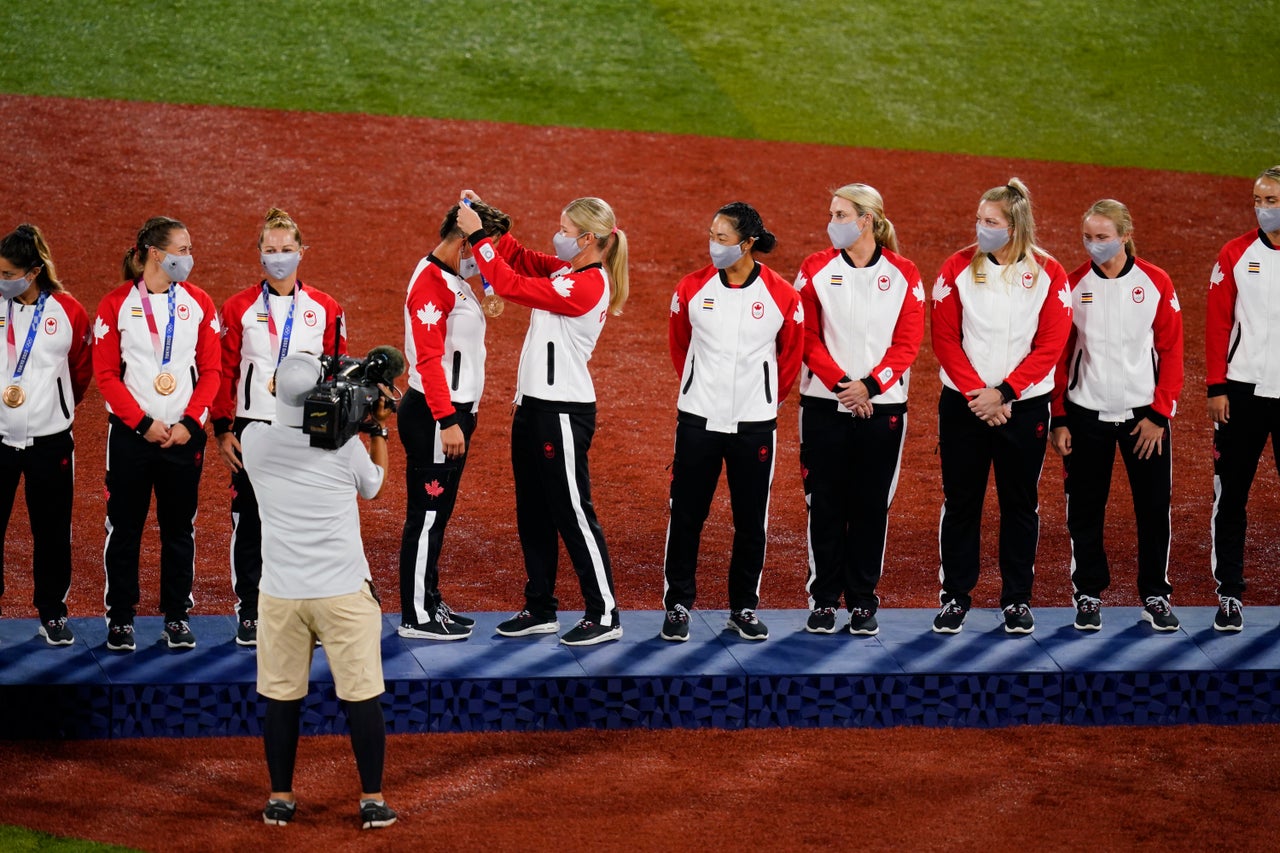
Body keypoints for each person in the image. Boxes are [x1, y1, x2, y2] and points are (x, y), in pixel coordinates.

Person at [455, 190, 629, 646]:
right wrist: (491, 224)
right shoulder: (568, 271)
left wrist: (478, 238)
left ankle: (605, 611)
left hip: (564, 413)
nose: (559, 238)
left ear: (589, 239)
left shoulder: (587, 284)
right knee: (532, 512)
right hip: (532, 408)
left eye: (567, 232)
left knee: (572, 511)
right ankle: (540, 607)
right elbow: (523, 259)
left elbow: (511, 285)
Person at [241, 353, 397, 830]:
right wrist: (377, 430)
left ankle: (280, 799)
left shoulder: (254, 444)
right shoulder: (345, 449)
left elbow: (273, 418)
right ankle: (372, 800)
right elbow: (374, 487)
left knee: (283, 700)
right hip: (343, 592)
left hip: (282, 595)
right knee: (362, 698)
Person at [929, 179, 1071, 635]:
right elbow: (945, 340)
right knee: (962, 502)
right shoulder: (956, 268)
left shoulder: (1050, 272)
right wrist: (980, 395)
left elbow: (1051, 345)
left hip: (1022, 408)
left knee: (1020, 505)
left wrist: (1004, 393)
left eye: (990, 222)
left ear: (1014, 226)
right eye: (979, 220)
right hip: (965, 406)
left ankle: (1016, 600)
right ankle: (955, 597)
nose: (980, 229)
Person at [660, 201, 803, 642]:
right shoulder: (691, 289)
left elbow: (791, 356)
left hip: (754, 424)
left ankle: (743, 607)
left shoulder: (782, 294)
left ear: (748, 243)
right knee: (686, 515)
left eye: (722, 238)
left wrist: (762, 399)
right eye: (712, 235)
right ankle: (678, 604)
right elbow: (679, 345)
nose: (713, 245)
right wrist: (698, 387)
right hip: (698, 419)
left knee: (750, 520)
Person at [794, 185, 924, 637]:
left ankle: (863, 602)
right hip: (824, 404)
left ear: (866, 219)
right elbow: (805, 335)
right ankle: (825, 600)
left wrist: (868, 386)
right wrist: (841, 386)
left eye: (840, 213)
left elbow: (907, 343)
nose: (832, 221)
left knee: (871, 508)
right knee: (825, 505)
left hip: (883, 406)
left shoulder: (905, 273)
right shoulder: (814, 268)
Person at [213, 208, 347, 647]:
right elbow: (224, 371)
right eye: (271, 250)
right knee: (251, 520)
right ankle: (250, 612)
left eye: (287, 249)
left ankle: (311, 610)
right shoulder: (238, 308)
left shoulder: (326, 308)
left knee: (308, 522)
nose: (279, 257)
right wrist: (222, 429)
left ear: (302, 252)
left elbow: (337, 373)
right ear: (259, 255)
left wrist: (334, 434)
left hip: (307, 429)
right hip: (254, 428)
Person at [1050, 200, 1183, 632]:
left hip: (1145, 418)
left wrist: (1160, 414)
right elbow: (1059, 356)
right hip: (1086, 415)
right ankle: (1088, 593)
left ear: (1125, 235)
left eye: (1102, 237)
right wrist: (1060, 416)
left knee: (1151, 508)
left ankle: (1155, 594)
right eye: (1087, 237)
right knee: (1085, 509)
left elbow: (1172, 351)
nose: (1093, 245)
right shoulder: (1071, 285)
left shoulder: (1156, 282)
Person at [93, 216, 221, 651]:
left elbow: (212, 371)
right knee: (124, 528)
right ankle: (122, 619)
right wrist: (144, 423)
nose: (189, 258)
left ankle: (177, 616)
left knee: (179, 529)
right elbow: (106, 375)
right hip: (132, 438)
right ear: (154, 254)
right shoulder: (114, 305)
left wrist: (190, 422)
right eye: (182, 250)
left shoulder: (200, 303)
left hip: (184, 437)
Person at [397, 199, 510, 641]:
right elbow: (427, 361)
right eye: (482, 247)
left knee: (436, 515)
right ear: (462, 241)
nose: (486, 258)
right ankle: (417, 616)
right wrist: (447, 420)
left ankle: (429, 599)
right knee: (425, 517)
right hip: (435, 417)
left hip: (451, 414)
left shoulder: (449, 276)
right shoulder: (431, 285)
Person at [0, 224, 92, 644]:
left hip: (50, 439)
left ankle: (52, 612)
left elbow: (80, 371)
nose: (3, 281)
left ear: (33, 271)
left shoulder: (68, 311)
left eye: (8, 274)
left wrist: (55, 406)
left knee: (52, 530)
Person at [1206, 165, 1280, 632]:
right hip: (1243, 393)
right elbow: (1217, 323)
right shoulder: (1235, 253)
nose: (1262, 208)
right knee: (1231, 496)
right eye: (1257, 200)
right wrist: (1217, 387)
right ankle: (1229, 593)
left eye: (1271, 200)